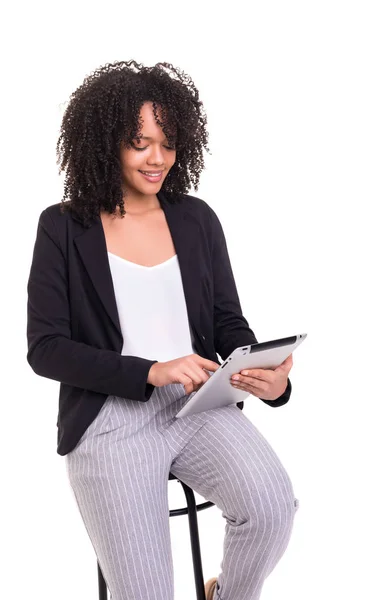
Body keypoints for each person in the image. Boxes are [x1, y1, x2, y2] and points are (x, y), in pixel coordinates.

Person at [26, 59, 299, 600]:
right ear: (105, 144)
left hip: (198, 406)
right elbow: (46, 349)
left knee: (271, 507)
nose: (158, 159)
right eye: (140, 142)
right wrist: (150, 369)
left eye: (168, 143)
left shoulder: (196, 218)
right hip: (109, 420)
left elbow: (226, 322)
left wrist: (267, 376)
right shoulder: (62, 226)